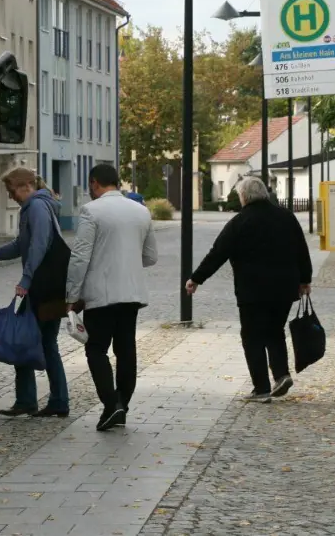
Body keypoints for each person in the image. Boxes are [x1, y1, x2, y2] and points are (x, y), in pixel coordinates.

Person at [186, 176, 313, 403]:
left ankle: (261, 388)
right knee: (275, 331)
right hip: (284, 289)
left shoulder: (240, 222)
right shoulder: (286, 217)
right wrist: (305, 280)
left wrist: (196, 278)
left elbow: (218, 253)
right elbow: (301, 250)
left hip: (252, 291)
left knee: (252, 336)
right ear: (264, 193)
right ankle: (281, 375)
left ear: (243, 196)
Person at [64, 164, 157, 431]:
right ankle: (123, 405)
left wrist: (71, 296)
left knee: (96, 348)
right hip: (132, 293)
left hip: (101, 294)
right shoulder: (141, 211)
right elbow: (150, 256)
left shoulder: (91, 211)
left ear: (94, 183)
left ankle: (111, 403)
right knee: (126, 349)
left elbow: (80, 256)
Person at [0, 167, 69, 417]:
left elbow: (39, 244)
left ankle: (31, 399)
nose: (10, 195)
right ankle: (55, 400)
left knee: (24, 339)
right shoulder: (38, 206)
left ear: (25, 186)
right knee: (45, 343)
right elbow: (21, 245)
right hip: (47, 286)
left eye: (11, 190)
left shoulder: (36, 207)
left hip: (41, 287)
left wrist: (25, 280)